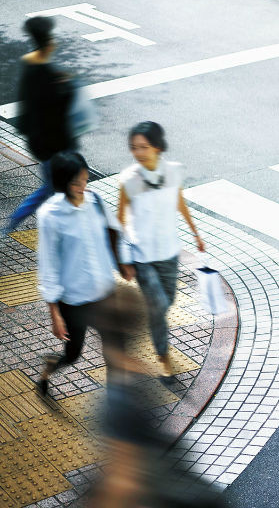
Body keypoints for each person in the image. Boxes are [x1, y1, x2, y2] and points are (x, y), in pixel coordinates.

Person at [36, 151, 134, 398]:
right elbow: (48, 265)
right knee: (73, 355)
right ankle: (49, 368)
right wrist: (54, 313)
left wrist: (124, 263)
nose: (83, 187)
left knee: (116, 348)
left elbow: (116, 232)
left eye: (85, 180)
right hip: (74, 300)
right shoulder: (51, 216)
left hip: (105, 292)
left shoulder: (95, 201)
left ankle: (116, 407)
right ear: (62, 184)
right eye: (76, 183)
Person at [117, 122, 204, 383]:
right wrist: (124, 260)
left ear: (157, 146)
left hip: (168, 252)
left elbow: (180, 202)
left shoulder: (174, 172)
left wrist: (195, 233)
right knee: (158, 306)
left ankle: (147, 317)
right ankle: (163, 356)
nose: (138, 152)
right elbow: (120, 220)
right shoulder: (129, 180)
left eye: (143, 147)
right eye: (134, 148)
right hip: (142, 256)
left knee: (166, 303)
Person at [2, 16, 75, 235]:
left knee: (56, 186)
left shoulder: (29, 66)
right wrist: (67, 90)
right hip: (55, 144)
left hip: (39, 141)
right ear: (48, 42)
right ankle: (13, 223)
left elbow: (27, 106)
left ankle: (14, 223)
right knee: (56, 187)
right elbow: (59, 110)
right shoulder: (49, 75)